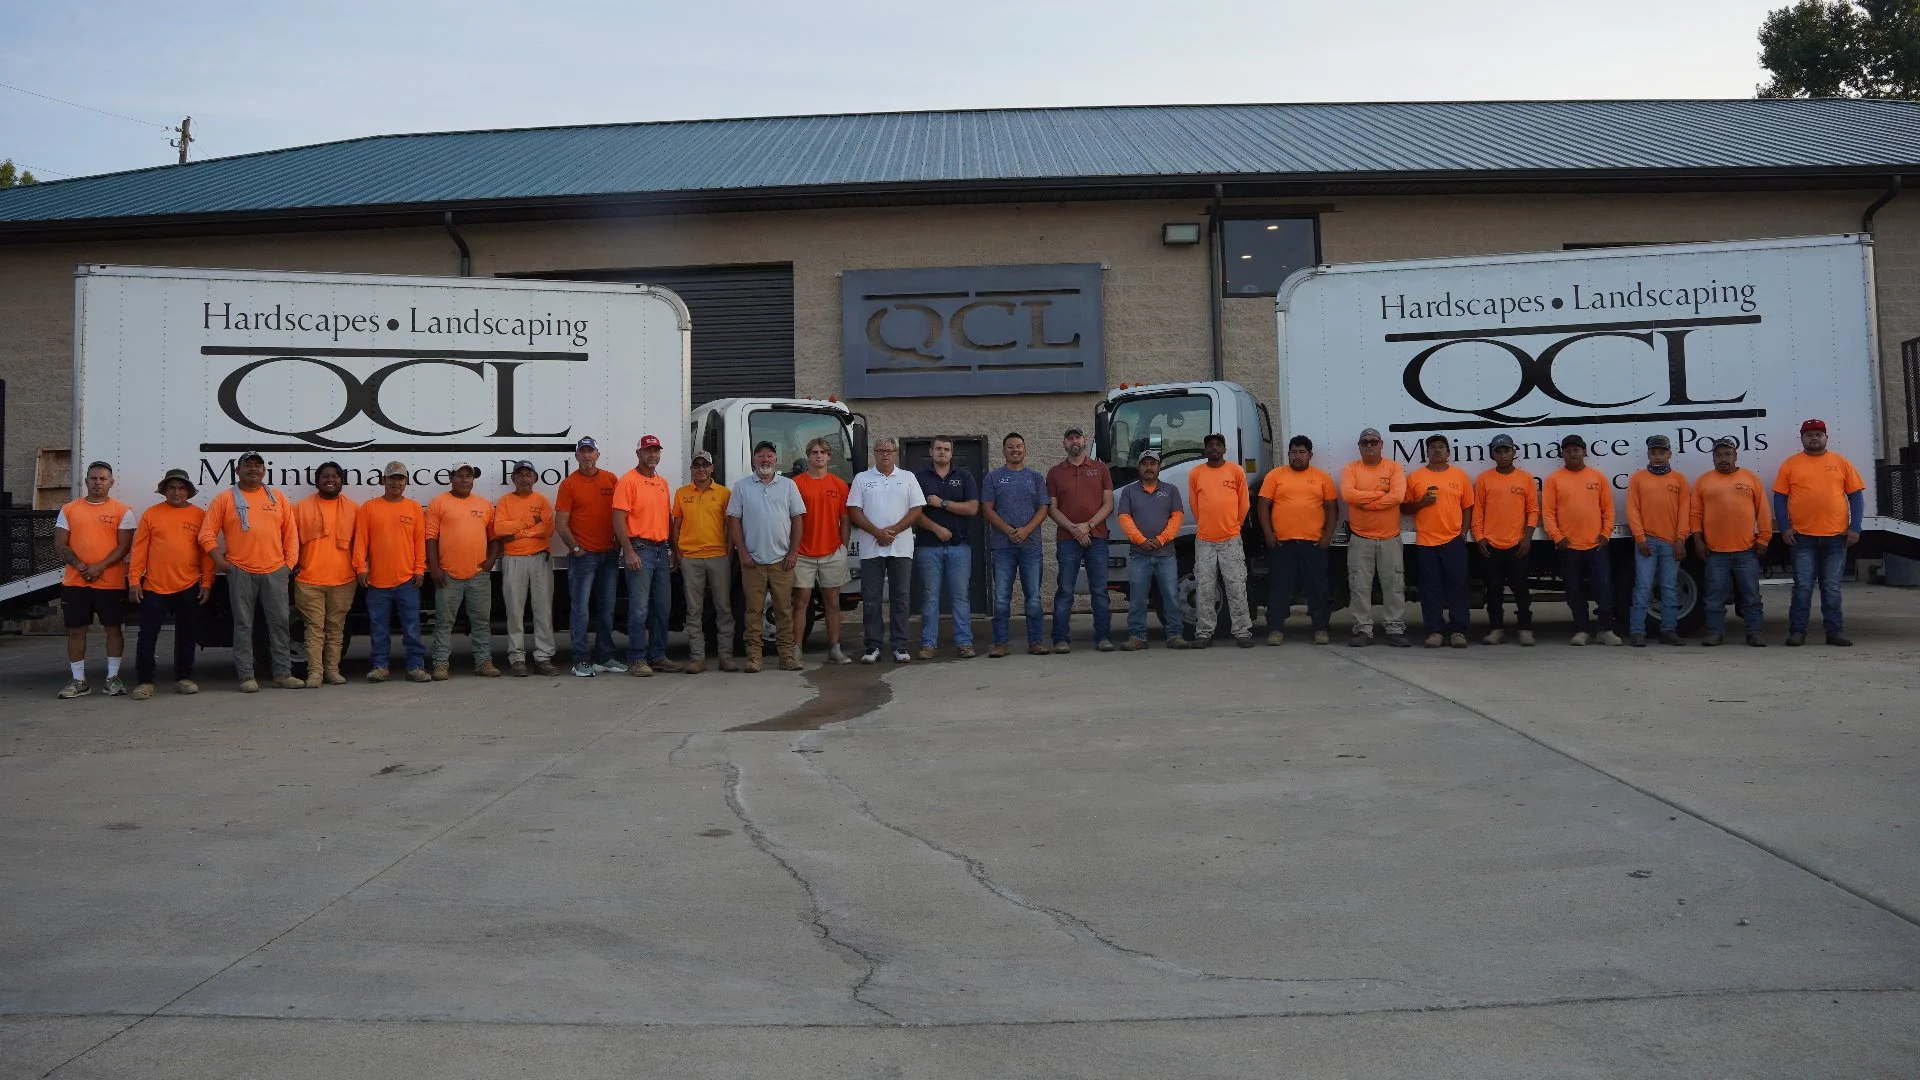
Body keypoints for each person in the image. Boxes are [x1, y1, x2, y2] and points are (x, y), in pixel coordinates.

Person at [199, 450, 302, 692]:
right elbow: (206, 534)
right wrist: (221, 564)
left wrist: (288, 564)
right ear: (238, 471)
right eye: (247, 465)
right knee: (244, 625)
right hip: (240, 571)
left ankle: (282, 673)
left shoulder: (277, 498)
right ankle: (246, 676)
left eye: (258, 465)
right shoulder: (224, 499)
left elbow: (291, 534)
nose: (253, 469)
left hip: (275, 570)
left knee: (279, 622)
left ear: (264, 471)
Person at [1772, 418, 1865, 646]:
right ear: (1802, 438)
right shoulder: (1790, 464)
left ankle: (1834, 633)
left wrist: (1855, 527)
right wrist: (1784, 527)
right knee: (1802, 588)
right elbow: (1779, 498)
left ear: (1826, 437)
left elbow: (1856, 496)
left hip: (1836, 537)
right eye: (1809, 434)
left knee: (1831, 588)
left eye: (1818, 434)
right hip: (1802, 538)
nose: (1814, 437)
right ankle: (1797, 633)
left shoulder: (1841, 463)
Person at [128, 468, 213, 699]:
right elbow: (139, 550)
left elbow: (206, 553)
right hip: (155, 586)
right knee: (147, 635)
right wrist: (134, 580)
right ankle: (145, 681)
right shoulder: (151, 514)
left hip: (189, 585)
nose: (177, 492)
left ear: (188, 491)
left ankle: (183, 678)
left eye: (181, 487)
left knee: (187, 634)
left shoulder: (200, 515)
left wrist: (206, 582)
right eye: (172, 488)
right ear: (164, 490)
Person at [54, 460, 135, 699]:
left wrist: (99, 567)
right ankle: (79, 680)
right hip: (76, 583)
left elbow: (124, 546)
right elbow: (60, 545)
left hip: (110, 584)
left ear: (111, 482)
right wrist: (81, 567)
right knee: (77, 631)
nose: (98, 482)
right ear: (86, 481)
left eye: (102, 479)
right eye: (93, 478)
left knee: (113, 629)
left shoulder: (122, 510)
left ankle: (112, 678)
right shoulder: (69, 509)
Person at [727, 440, 807, 673]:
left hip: (782, 561)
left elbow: (797, 519)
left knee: (784, 611)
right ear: (754, 460)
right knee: (753, 613)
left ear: (776, 460)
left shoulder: (788, 486)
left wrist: (793, 552)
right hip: (752, 562)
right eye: (760, 456)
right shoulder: (741, 487)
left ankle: (786, 657)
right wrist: (742, 552)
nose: (765, 460)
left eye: (770, 456)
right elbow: (733, 520)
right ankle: (754, 658)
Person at [847, 436, 926, 664]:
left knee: (900, 597)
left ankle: (900, 646)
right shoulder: (862, 478)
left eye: (889, 451)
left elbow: (917, 509)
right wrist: (876, 532)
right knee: (871, 599)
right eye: (880, 450)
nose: (885, 454)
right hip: (871, 549)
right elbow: (854, 511)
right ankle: (873, 646)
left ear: (895, 453)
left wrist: (891, 531)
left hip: (900, 548)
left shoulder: (908, 478)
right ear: (874, 453)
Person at [353, 461, 431, 683]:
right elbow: (361, 541)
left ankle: (415, 666)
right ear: (383, 480)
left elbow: (419, 542)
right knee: (379, 628)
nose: (396, 482)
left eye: (401, 478)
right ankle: (380, 666)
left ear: (406, 482)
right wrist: (360, 567)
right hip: (377, 582)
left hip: (407, 581)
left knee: (412, 627)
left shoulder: (414, 508)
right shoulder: (369, 507)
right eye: (392, 478)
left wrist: (419, 569)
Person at [1542, 435, 1623, 646]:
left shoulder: (1597, 477)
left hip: (1596, 547)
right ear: (1562, 454)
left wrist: (1605, 535)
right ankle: (1581, 630)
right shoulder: (1554, 479)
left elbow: (1608, 509)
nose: (1572, 453)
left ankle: (1606, 630)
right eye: (1568, 450)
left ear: (1584, 451)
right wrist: (1558, 538)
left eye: (1576, 449)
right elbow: (1548, 513)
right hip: (1569, 547)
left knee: (1603, 588)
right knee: (1574, 591)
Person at [1257, 435, 1338, 646]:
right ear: (1289, 454)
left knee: (1318, 589)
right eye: (1294, 452)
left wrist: (1327, 537)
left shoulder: (1322, 477)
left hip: (1313, 544)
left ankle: (1321, 628)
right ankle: (1275, 629)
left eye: (1302, 452)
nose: (1297, 456)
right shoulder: (1275, 476)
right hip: (1283, 544)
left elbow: (1332, 509)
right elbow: (1263, 505)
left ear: (1310, 455)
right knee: (1279, 588)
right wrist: (1268, 534)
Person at [1691, 436, 1771, 647]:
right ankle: (1715, 632)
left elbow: (1763, 511)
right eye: (1718, 455)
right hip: (1715, 552)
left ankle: (1754, 633)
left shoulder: (1751, 479)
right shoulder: (1703, 481)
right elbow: (1695, 514)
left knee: (1751, 596)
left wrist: (1764, 538)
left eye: (1728, 454)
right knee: (1714, 597)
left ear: (1735, 456)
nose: (1723, 458)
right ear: (1713, 458)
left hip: (1747, 551)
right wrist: (1698, 541)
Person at [613, 435, 681, 675]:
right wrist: (628, 551)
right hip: (639, 548)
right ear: (638, 454)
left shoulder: (662, 482)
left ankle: (658, 655)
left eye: (656, 451)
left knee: (663, 607)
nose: (652, 455)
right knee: (639, 608)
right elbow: (618, 520)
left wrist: (675, 550)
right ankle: (636, 659)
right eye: (648, 451)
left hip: (662, 549)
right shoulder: (628, 481)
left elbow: (667, 519)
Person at [427, 463, 502, 679]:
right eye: (460, 476)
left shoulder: (484, 504)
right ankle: (441, 664)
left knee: (480, 622)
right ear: (451, 478)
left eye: (468, 476)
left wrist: (490, 560)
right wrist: (434, 567)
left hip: (478, 574)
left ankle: (484, 661)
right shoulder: (438, 502)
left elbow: (494, 537)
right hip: (448, 575)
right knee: (443, 622)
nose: (465, 480)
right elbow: (430, 537)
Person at [556, 436, 623, 677]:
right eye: (582, 452)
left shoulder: (610, 479)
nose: (586, 456)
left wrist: (618, 542)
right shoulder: (569, 484)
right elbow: (561, 524)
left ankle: (605, 658)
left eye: (590, 451)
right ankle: (580, 661)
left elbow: (620, 513)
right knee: (581, 610)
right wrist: (575, 548)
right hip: (584, 557)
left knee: (607, 609)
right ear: (576, 456)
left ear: (597, 454)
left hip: (608, 555)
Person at [981, 432, 1050, 658]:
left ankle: (1036, 642)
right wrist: (1009, 531)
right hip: (1002, 547)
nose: (1015, 450)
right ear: (1004, 451)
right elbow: (987, 509)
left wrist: (1026, 530)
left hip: (1031, 546)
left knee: (1033, 597)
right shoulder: (993, 478)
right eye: (1010, 447)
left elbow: (1044, 508)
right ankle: (1001, 643)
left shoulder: (1036, 478)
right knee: (1001, 597)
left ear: (1025, 450)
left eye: (1019, 446)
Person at [1340, 428, 1410, 648]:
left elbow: (1398, 496)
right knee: (1359, 587)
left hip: (1390, 538)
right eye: (1364, 442)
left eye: (1373, 442)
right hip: (1360, 538)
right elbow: (1348, 495)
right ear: (1359, 446)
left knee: (1395, 586)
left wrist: (1365, 503)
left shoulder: (1394, 467)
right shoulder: (1351, 469)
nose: (1369, 445)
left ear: (1381, 444)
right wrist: (1380, 494)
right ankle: (1363, 630)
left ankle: (1395, 629)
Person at [1047, 426, 1115, 653]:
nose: (1074, 441)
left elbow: (1108, 504)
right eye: (1069, 438)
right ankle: (1060, 639)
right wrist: (1074, 529)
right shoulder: (1055, 472)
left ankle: (1103, 637)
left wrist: (1089, 525)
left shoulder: (1100, 469)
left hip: (1097, 537)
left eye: (1077, 437)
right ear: (1063, 443)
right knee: (1065, 589)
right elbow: (1052, 509)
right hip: (1067, 539)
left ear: (1085, 441)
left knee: (1099, 590)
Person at [293, 461, 359, 687]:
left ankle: (332, 670)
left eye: (335, 476)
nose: (330, 479)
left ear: (341, 480)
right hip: (309, 580)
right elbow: (290, 541)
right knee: (314, 629)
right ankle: (315, 674)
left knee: (335, 629)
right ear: (317, 480)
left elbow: (361, 544)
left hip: (344, 580)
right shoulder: (301, 507)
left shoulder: (353, 509)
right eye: (325, 476)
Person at [1405, 434, 1475, 649]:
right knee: (1430, 588)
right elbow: (1405, 508)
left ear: (1448, 452)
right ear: (1426, 453)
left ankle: (1458, 631)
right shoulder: (1416, 477)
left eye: (1441, 447)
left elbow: (1468, 506)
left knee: (1458, 586)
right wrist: (1421, 503)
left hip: (1453, 540)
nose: (1437, 450)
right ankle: (1434, 631)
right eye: (1432, 447)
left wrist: (1463, 532)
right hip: (1426, 541)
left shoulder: (1460, 476)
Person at [913, 436, 980, 659]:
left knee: (960, 597)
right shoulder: (918, 477)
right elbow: (914, 513)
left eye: (947, 449)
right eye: (938, 448)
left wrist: (942, 503)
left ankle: (964, 643)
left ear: (952, 453)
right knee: (930, 596)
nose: (942, 452)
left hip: (959, 546)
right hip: (928, 546)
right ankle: (928, 644)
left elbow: (972, 508)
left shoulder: (964, 476)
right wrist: (936, 529)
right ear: (930, 451)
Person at [1184, 433, 1253, 648]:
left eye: (1218, 445)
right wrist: (1207, 524)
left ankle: (1242, 631)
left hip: (1231, 538)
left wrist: (1235, 525)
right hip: (1204, 540)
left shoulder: (1236, 471)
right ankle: (1204, 633)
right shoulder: (1196, 473)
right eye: (1210, 445)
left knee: (1236, 586)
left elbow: (1244, 503)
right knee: (1204, 587)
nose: (1214, 448)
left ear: (1224, 449)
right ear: (1205, 451)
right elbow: (1195, 505)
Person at [1116, 449, 1188, 650]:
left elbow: (1177, 517)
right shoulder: (1129, 491)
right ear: (1139, 467)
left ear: (1158, 467)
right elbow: (1124, 518)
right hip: (1139, 554)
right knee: (1138, 598)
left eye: (1153, 464)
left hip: (1166, 554)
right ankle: (1138, 637)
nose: (1149, 467)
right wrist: (1140, 540)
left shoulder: (1171, 490)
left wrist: (1161, 539)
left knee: (1172, 596)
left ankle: (1175, 635)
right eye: (1145, 464)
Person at [792, 437, 855, 665]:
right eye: (814, 452)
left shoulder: (838, 485)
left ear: (829, 456)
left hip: (831, 552)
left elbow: (845, 519)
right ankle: (796, 649)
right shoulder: (796, 484)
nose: (819, 456)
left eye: (823, 452)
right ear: (808, 456)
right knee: (801, 602)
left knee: (833, 602)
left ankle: (835, 648)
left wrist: (843, 547)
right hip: (802, 553)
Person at [1471, 434, 1538, 646]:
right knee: (1493, 590)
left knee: (1521, 589)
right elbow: (1478, 512)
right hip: (1491, 545)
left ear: (1514, 452)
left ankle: (1525, 629)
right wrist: (1480, 538)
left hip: (1517, 545)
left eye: (1507, 450)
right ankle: (1496, 629)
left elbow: (1533, 510)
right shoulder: (1484, 479)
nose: (1503, 455)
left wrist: (1527, 539)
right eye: (1498, 451)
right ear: (1493, 454)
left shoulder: (1525, 478)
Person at [672, 451, 736, 674]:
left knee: (724, 608)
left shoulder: (724, 493)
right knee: (693, 610)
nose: (700, 469)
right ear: (691, 469)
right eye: (696, 465)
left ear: (712, 469)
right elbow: (677, 526)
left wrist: (728, 552)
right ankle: (698, 658)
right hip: (691, 558)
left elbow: (731, 525)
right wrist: (678, 553)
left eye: (705, 465)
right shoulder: (681, 494)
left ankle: (726, 657)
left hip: (718, 557)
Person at [495, 460, 560, 677]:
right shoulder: (504, 501)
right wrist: (528, 522)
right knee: (515, 610)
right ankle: (517, 658)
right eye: (520, 474)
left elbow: (547, 528)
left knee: (543, 609)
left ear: (535, 478)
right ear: (513, 478)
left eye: (528, 474)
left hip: (539, 558)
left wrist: (520, 532)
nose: (524, 478)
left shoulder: (542, 501)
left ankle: (543, 657)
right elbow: (500, 529)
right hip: (513, 559)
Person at [1626, 434, 1690, 647]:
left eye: (1662, 452)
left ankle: (1668, 630)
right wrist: (1640, 537)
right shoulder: (1637, 478)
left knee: (1669, 587)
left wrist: (1681, 539)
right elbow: (1632, 509)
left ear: (1670, 454)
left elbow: (1684, 512)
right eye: (1654, 452)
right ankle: (1637, 632)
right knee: (1643, 586)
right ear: (1648, 454)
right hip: (1647, 542)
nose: (1658, 456)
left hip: (1671, 542)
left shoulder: (1679, 479)